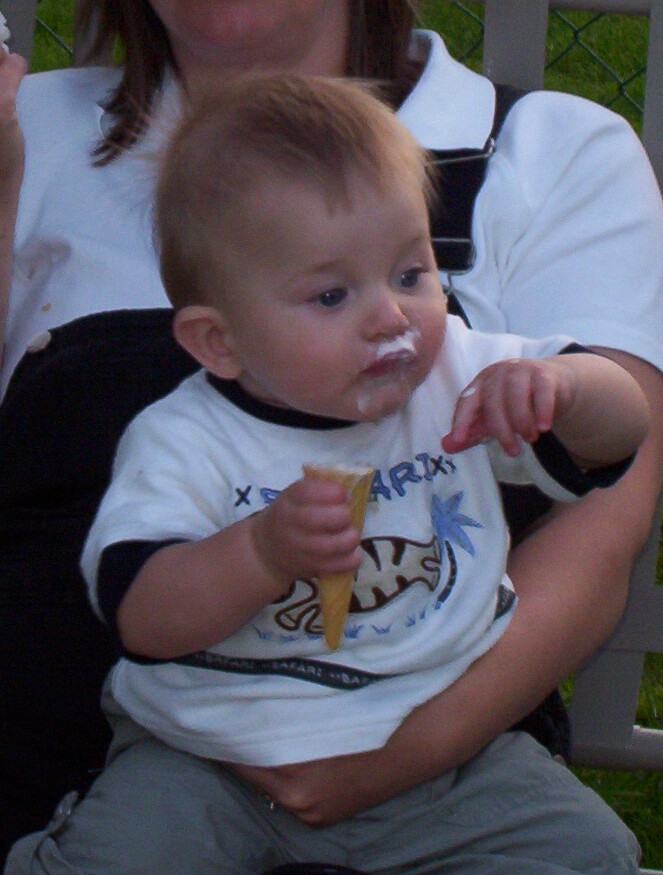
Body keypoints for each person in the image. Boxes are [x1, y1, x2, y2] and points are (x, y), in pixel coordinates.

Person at [0, 0, 661, 864]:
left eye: (412, 273)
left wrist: (564, 387)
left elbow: (607, 499)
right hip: (125, 765)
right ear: (212, 341)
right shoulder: (28, 130)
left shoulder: (539, 153)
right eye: (329, 294)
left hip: (437, 760)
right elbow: (140, 599)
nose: (386, 317)